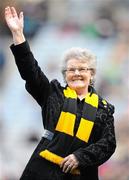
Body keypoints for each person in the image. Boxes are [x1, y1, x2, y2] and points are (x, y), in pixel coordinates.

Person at [4, 6, 116, 180]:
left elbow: (108, 144)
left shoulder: (104, 110)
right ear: (65, 75)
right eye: (71, 69)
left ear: (92, 74)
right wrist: (18, 35)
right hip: (43, 173)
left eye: (82, 69)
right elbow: (31, 72)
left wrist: (79, 157)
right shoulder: (54, 95)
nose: (77, 73)